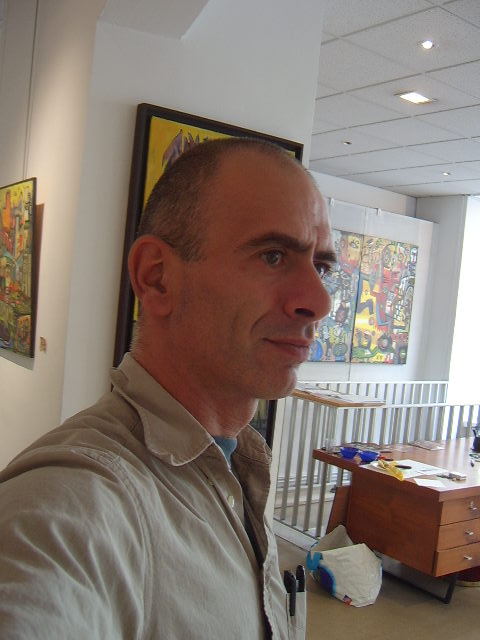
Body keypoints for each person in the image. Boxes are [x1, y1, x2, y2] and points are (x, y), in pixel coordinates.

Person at [0, 138, 335, 639]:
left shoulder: (237, 464)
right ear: (156, 278)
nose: (319, 301)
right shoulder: (72, 506)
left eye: (322, 267)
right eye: (272, 256)